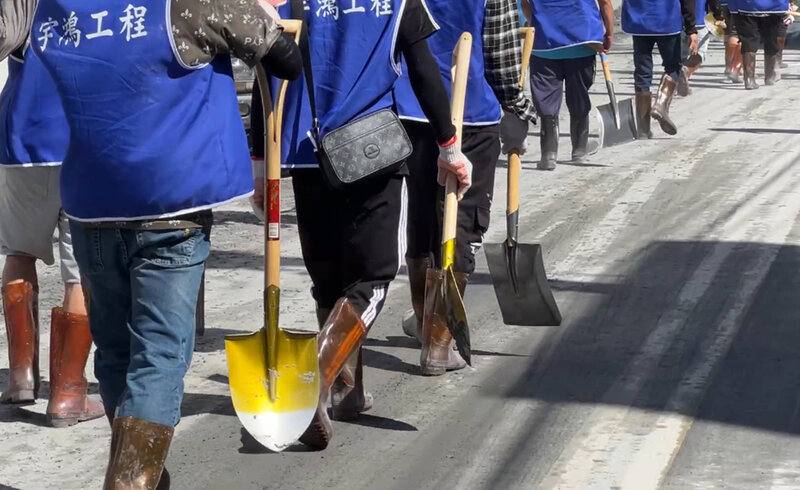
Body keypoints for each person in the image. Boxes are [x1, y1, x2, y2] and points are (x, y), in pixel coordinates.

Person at [0, 0, 303, 486]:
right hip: (171, 204)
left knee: (117, 350)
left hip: (92, 204)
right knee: (160, 354)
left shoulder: (57, 11)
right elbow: (286, 58)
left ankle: (141, 473)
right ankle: (130, 481)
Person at [254, 0, 473, 450]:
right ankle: (315, 380)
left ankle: (345, 391)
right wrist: (449, 144)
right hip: (370, 149)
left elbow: (265, 75)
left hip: (303, 151)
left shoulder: (289, 3)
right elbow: (423, 71)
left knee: (330, 282)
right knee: (371, 280)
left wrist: (260, 162)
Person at [391, 0, 536, 376]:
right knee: (463, 220)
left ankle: (426, 321)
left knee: (422, 213)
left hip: (408, 107)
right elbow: (503, 59)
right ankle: (439, 343)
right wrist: (518, 109)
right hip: (468, 111)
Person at [0, 47, 104, 428]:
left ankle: (21, 377)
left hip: (21, 134)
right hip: (81, 138)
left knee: (19, 250)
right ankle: (67, 394)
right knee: (80, 272)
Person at [523, 0, 614, 169]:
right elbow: (605, 3)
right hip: (582, 39)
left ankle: (549, 154)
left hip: (545, 41)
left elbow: (524, 3)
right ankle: (579, 150)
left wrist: (533, 21)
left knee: (546, 98)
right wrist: (609, 32)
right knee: (579, 94)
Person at [622, 0, 698, 137]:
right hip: (667, 20)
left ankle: (643, 129)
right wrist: (691, 28)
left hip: (639, 21)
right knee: (673, 67)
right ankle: (661, 105)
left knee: (642, 72)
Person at [727, 0, 790, 88]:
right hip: (774, 7)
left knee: (748, 41)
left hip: (745, 7)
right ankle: (769, 76)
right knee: (771, 39)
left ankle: (749, 80)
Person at [678, 0, 724, 95]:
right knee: (699, 53)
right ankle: (685, 71)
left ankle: (677, 84)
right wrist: (718, 15)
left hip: (677, 23)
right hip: (699, 21)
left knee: (681, 55)